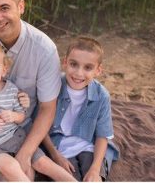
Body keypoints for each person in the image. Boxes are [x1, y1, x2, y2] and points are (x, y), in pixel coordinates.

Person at [0, 0, 62, 178]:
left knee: (22, 173)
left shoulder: (44, 50)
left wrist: (26, 152)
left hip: (22, 132)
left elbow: (48, 108)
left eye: (4, 8)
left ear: (20, 6)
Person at [0, 41, 75, 181]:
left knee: (43, 163)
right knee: (11, 167)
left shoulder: (11, 89)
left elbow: (21, 117)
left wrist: (13, 116)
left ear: (4, 70)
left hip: (17, 138)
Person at [42, 37, 119, 181]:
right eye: (74, 64)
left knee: (93, 177)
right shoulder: (52, 86)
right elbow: (39, 126)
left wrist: (95, 169)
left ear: (98, 70)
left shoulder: (102, 96)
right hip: (58, 147)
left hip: (89, 145)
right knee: (71, 178)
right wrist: (54, 155)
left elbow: (103, 135)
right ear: (65, 62)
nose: (78, 73)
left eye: (88, 67)